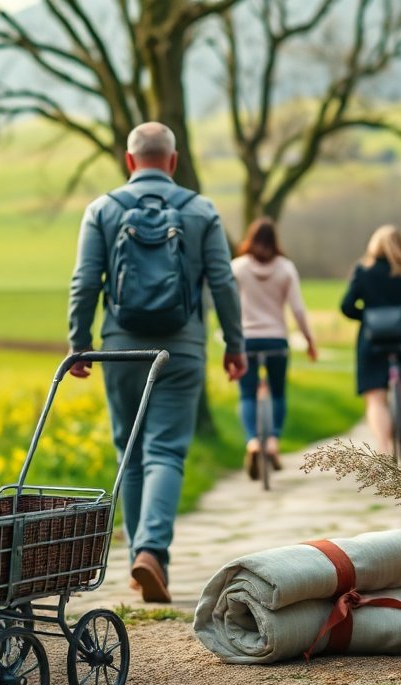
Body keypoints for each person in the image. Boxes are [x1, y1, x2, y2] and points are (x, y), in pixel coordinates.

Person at [67, 122, 247, 603]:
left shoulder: (102, 209)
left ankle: (137, 563)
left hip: (121, 346)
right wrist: (235, 344)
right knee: (166, 450)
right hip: (182, 347)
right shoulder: (201, 210)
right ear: (173, 160)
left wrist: (78, 343)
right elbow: (224, 283)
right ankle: (152, 551)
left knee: (130, 449)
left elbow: (85, 281)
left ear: (130, 161)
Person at [231, 217, 317, 478]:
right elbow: (298, 309)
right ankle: (272, 443)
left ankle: (253, 441)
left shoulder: (237, 267)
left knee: (247, 395)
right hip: (277, 340)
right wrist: (310, 340)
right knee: (278, 393)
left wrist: (230, 337)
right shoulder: (286, 268)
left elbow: (227, 305)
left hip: (246, 340)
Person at [339, 224, 401, 453]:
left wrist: (366, 316)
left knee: (376, 399)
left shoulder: (363, 271)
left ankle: (384, 446)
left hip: (372, 341)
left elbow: (346, 306)